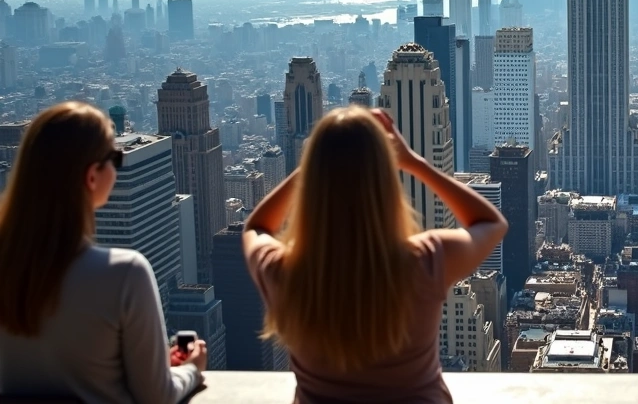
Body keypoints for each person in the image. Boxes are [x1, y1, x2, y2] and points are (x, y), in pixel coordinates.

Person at [243, 106, 507, 403]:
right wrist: (414, 162)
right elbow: (491, 224)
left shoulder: (284, 272)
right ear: (385, 180)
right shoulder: (426, 261)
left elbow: (256, 227)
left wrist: (316, 164)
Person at [0, 102, 206, 403]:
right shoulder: (124, 274)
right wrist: (191, 369)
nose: (117, 166)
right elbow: (157, 396)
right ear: (91, 177)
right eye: (114, 158)